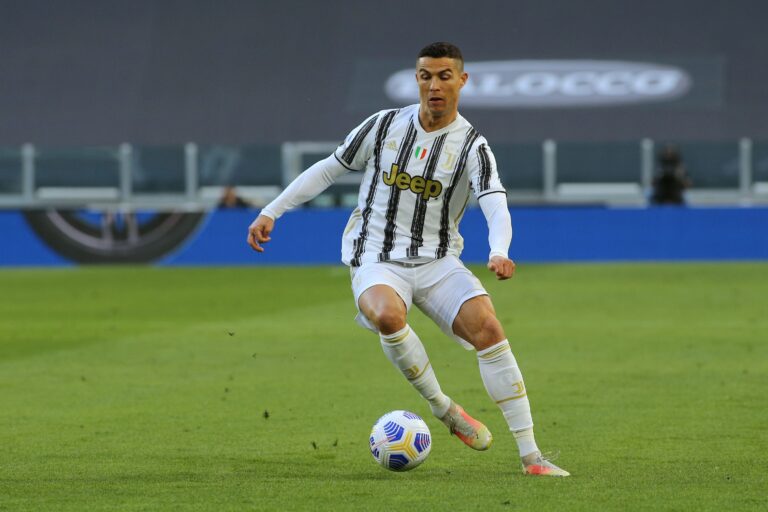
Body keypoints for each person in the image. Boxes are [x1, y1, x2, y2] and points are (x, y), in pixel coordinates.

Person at [247, 42, 569, 477]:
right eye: (425, 76)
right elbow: (329, 168)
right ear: (417, 79)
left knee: (489, 329)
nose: (434, 85)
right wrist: (272, 210)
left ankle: (532, 457)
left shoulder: (472, 145)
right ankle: (444, 408)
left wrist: (499, 250)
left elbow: (494, 201)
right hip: (376, 256)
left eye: (444, 76)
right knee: (386, 315)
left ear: (461, 81)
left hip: (438, 260)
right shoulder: (383, 125)